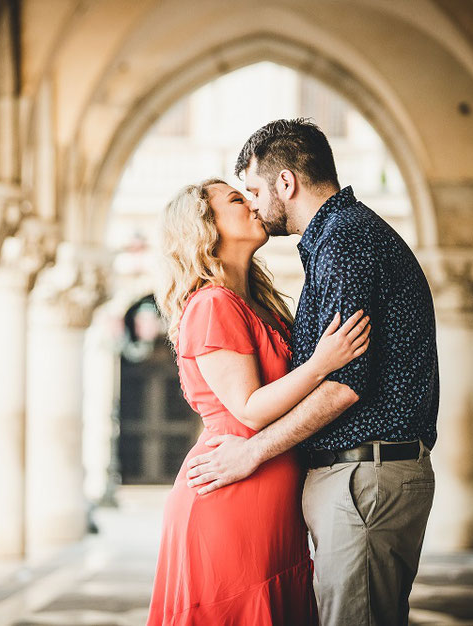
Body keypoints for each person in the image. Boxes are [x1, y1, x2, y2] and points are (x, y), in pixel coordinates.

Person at [185, 119, 439, 626]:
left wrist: (251, 453)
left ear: (287, 184)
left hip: (363, 477)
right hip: (359, 478)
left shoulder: (345, 240)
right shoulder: (337, 239)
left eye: (253, 189)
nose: (253, 203)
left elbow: (344, 386)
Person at [146, 177, 371, 625]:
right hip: (231, 496)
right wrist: (322, 364)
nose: (252, 203)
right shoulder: (212, 304)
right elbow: (248, 407)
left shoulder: (254, 300)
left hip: (270, 494)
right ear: (206, 226)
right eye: (235, 199)